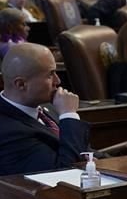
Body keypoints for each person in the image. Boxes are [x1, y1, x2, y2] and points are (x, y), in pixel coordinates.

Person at [0, 43, 88, 176]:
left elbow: (83, 150)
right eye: (50, 74)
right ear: (21, 84)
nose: (57, 81)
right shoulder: (7, 132)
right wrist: (69, 115)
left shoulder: (48, 108)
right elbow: (64, 173)